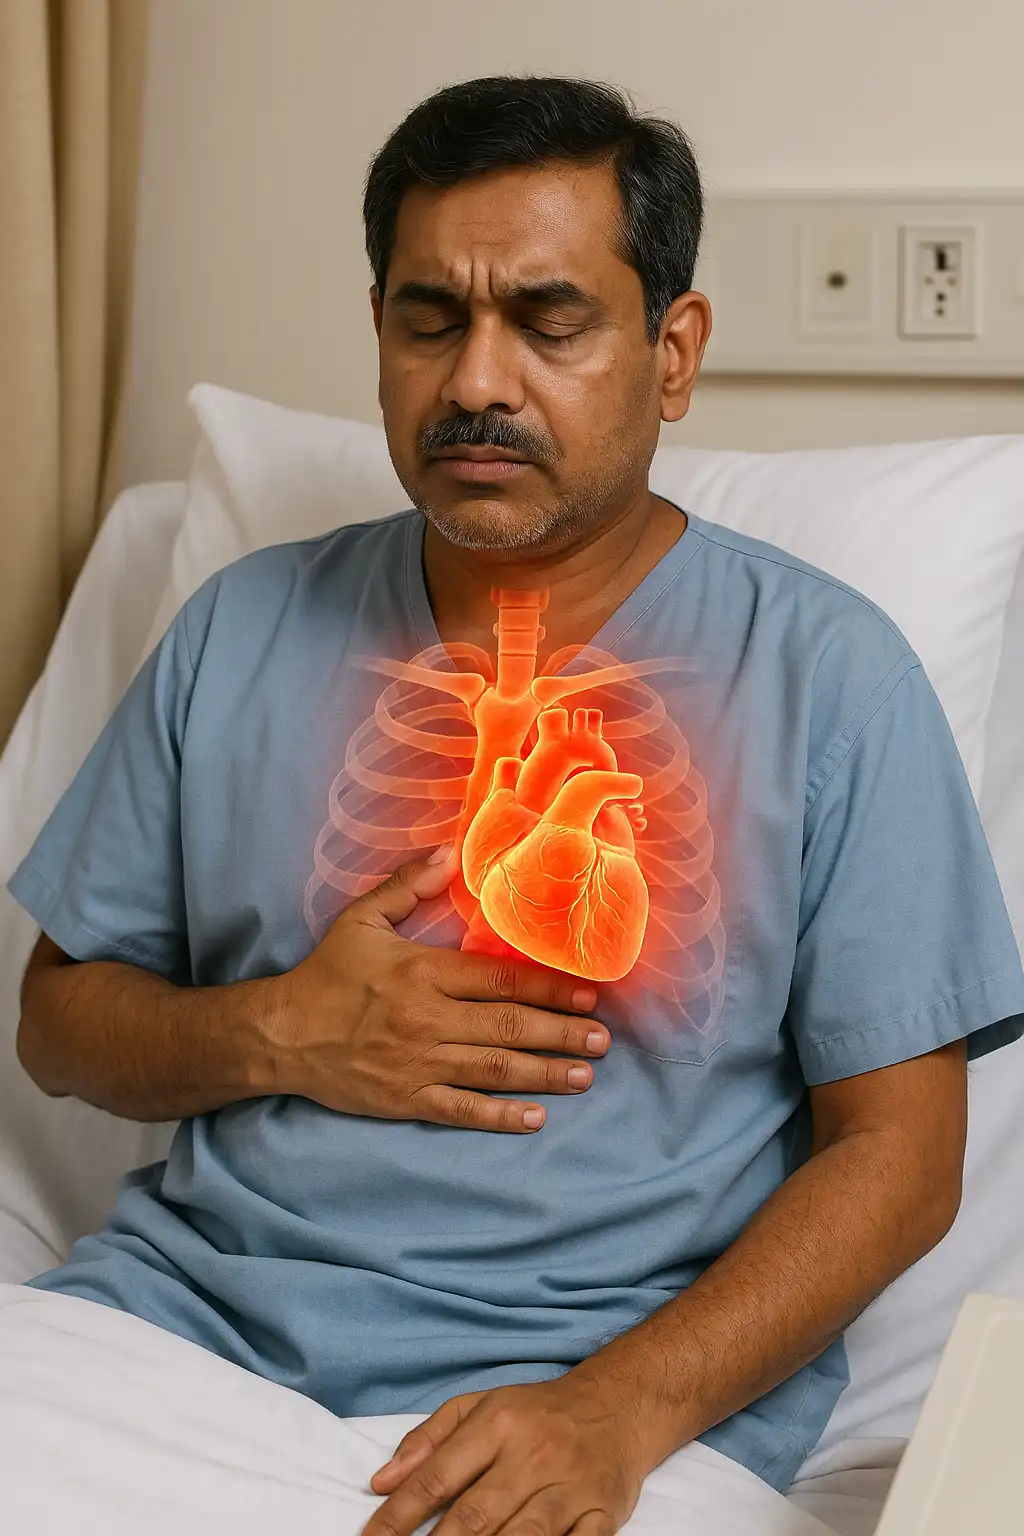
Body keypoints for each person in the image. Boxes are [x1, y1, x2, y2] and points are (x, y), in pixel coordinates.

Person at [9, 74, 1024, 1536]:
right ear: (378, 333)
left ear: (673, 354)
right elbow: (56, 1021)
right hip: (180, 1331)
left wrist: (621, 1413)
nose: (479, 381)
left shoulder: (830, 676)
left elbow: (905, 1156)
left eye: (550, 323)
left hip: (603, 1397)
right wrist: (277, 1028)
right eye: (432, 319)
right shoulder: (238, 628)